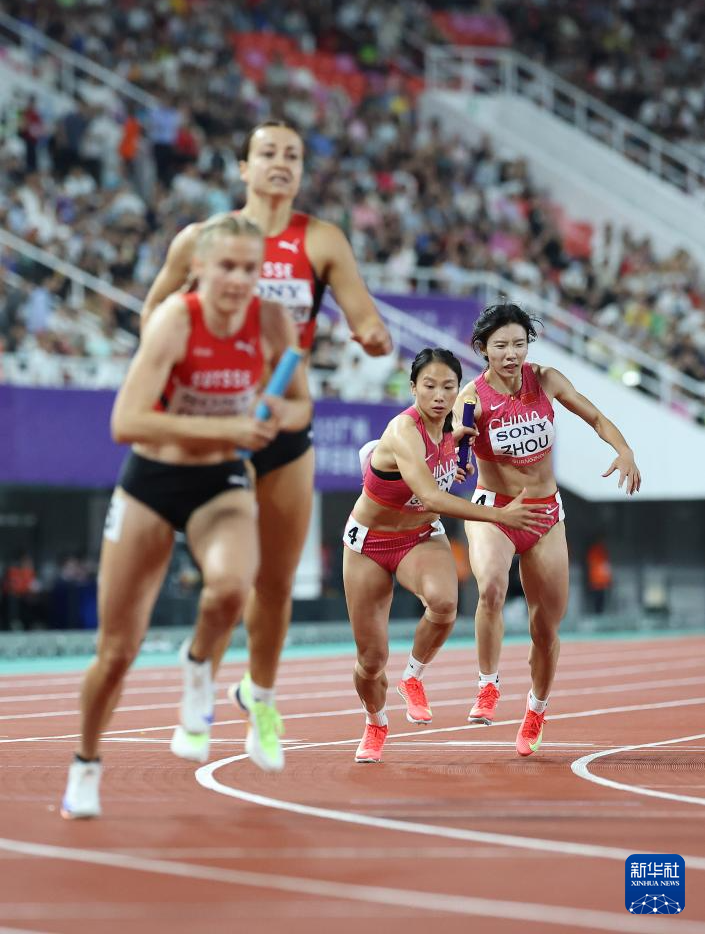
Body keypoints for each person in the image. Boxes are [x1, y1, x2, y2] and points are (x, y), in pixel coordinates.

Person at [142, 119, 392, 771]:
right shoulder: (203, 239)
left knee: (276, 582)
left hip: (285, 423)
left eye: (292, 155)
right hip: (220, 422)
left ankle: (262, 699)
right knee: (227, 582)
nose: (280, 163)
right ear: (242, 168)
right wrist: (175, 369)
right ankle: (199, 673)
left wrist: (371, 335)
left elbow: (364, 315)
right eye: (267, 153)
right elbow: (154, 311)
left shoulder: (321, 239)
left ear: (301, 171)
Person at [60, 214, 310, 818]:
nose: (238, 280)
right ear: (198, 268)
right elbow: (126, 422)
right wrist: (229, 427)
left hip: (220, 480)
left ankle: (199, 665)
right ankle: (86, 763)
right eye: (226, 266)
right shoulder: (176, 319)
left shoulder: (271, 320)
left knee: (232, 587)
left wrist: (279, 412)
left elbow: (302, 405)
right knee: (116, 653)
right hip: (152, 480)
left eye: (250, 269)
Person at [343, 347, 551, 764]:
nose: (439, 395)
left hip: (420, 536)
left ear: (459, 390)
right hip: (369, 544)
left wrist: (456, 464)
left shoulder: (458, 429)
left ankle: (412, 677)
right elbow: (431, 496)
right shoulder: (403, 430)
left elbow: (458, 465)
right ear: (413, 388)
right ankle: (375, 722)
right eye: (429, 386)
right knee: (371, 660)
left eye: (448, 387)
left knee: (443, 605)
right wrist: (498, 514)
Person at [457, 303, 641, 756]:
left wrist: (624, 450)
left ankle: (536, 709)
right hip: (496, 511)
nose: (511, 354)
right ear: (482, 349)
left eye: (519, 344)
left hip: (544, 514)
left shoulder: (547, 380)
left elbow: (595, 417)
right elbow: (457, 440)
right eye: (501, 346)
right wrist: (459, 455)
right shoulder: (471, 397)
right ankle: (487, 685)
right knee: (491, 587)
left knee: (546, 628)